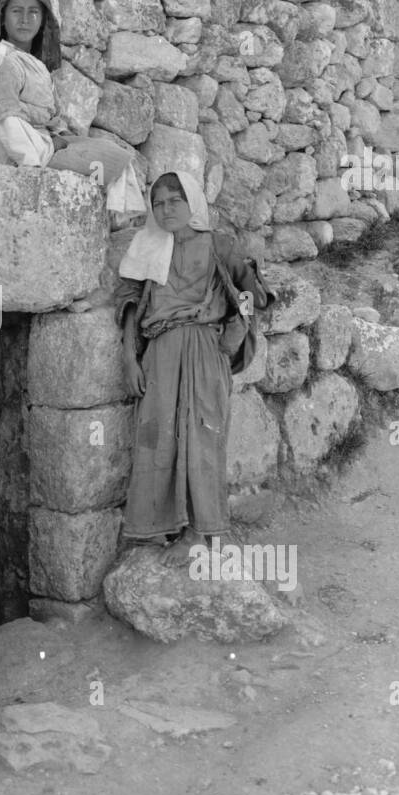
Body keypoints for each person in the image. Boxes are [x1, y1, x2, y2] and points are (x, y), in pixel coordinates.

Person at [115, 170, 274, 562]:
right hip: (160, 353)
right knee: (156, 437)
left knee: (204, 437)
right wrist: (128, 357)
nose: (166, 209)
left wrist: (237, 325)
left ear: (193, 203)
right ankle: (159, 533)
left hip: (206, 351)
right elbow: (131, 302)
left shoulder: (219, 245)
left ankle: (204, 536)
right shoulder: (146, 247)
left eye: (175, 201)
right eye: (158, 203)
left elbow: (256, 294)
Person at [0, 0, 143, 224]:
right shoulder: (1, 58)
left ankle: (111, 223)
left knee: (117, 156)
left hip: (44, 142)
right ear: (3, 18)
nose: (25, 19)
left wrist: (59, 139)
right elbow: (4, 117)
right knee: (111, 158)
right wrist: (33, 167)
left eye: (33, 12)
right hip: (22, 151)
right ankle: (109, 223)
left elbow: (48, 116)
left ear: (43, 21)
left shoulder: (32, 62)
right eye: (16, 11)